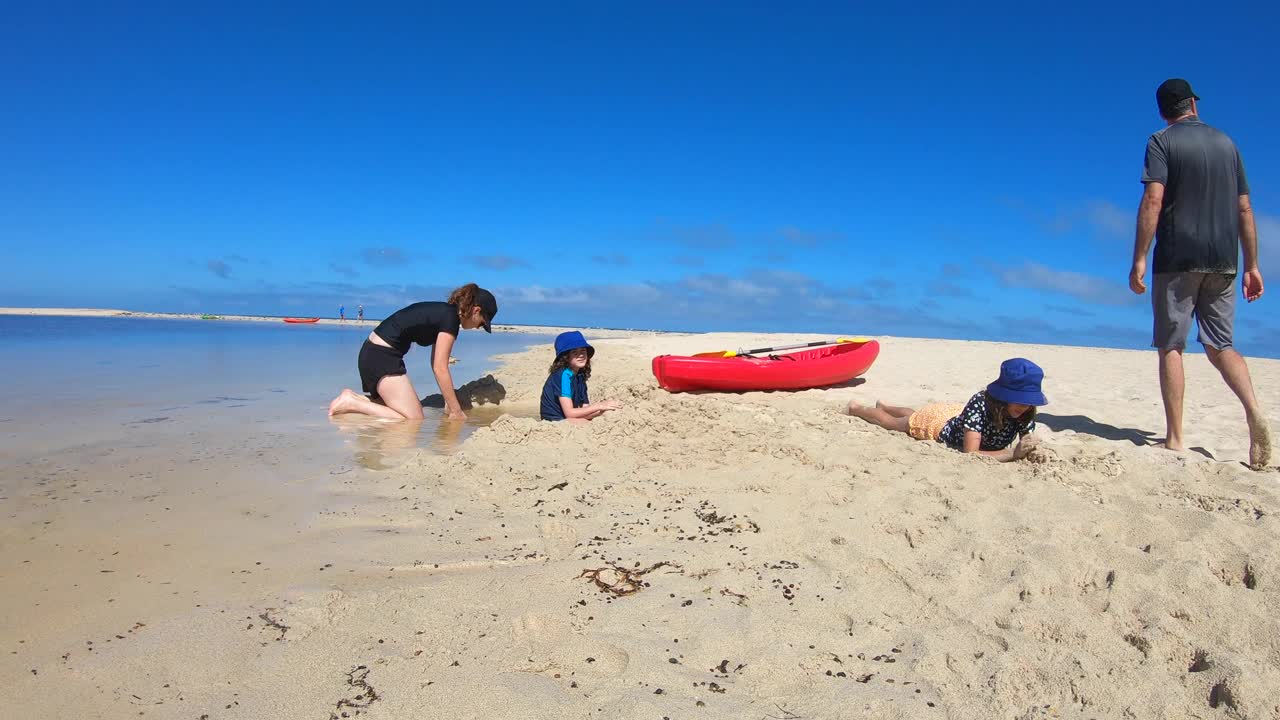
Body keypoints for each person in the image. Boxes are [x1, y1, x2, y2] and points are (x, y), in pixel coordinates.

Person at [1129, 78, 1271, 469]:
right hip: (1224, 259)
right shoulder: (1228, 145)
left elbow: (1153, 198)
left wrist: (1139, 257)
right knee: (1221, 345)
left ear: (1163, 111)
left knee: (1171, 344)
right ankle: (1253, 410)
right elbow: (1244, 208)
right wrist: (1253, 264)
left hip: (1177, 257)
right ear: (1193, 103)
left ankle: (1175, 437)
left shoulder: (1161, 141)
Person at [328, 284, 498, 421]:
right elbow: (440, 368)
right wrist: (456, 411)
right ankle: (351, 403)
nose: (479, 327)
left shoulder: (445, 313)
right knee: (413, 419)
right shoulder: (450, 320)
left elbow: (436, 363)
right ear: (476, 310)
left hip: (372, 354)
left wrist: (449, 401)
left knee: (396, 408)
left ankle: (353, 398)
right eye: (482, 323)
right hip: (381, 357)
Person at [845, 358, 1046, 462]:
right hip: (940, 426)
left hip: (956, 415)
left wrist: (1031, 448)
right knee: (897, 424)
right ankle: (857, 409)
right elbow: (971, 453)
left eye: (1029, 401)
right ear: (1004, 396)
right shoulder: (981, 403)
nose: (1026, 406)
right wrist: (1012, 454)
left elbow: (1026, 443)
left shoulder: (1025, 411)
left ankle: (886, 406)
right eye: (1020, 400)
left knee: (916, 414)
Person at [540, 331, 622, 423]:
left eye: (583, 351)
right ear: (565, 357)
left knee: (606, 412)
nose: (581, 355)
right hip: (554, 421)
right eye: (574, 352)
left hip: (569, 417)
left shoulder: (580, 374)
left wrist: (603, 409)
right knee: (588, 423)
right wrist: (599, 405)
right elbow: (569, 413)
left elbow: (585, 407)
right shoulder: (564, 375)